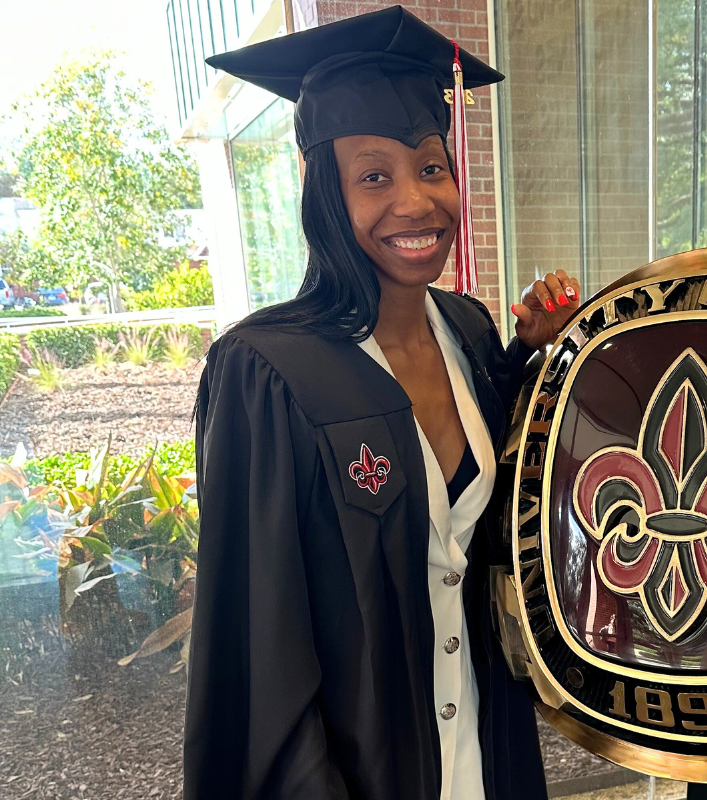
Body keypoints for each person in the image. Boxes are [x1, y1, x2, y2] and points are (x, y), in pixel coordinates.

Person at [186, 7, 580, 799]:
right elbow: (260, 641)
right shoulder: (266, 372)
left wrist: (529, 353)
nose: (415, 201)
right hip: (360, 771)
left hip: (486, 744)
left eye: (431, 168)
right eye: (374, 175)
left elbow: (483, 490)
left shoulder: (467, 331)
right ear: (318, 188)